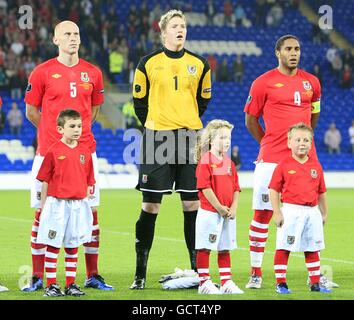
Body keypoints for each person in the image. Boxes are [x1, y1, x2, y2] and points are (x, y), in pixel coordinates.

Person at [23, 20, 113, 292]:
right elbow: (31, 112)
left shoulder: (93, 73)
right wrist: (57, 139)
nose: (73, 38)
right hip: (48, 154)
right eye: (67, 34)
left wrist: (76, 142)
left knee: (90, 213)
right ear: (55, 40)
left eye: (76, 34)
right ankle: (38, 276)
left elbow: (94, 112)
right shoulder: (42, 72)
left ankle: (92, 275)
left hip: (85, 155)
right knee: (42, 213)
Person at [130, 9, 212, 289]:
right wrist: (157, 126)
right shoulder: (148, 63)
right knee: (151, 205)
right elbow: (139, 102)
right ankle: (139, 274)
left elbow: (203, 101)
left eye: (184, 26)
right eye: (175, 26)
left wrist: (185, 122)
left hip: (190, 139)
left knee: (192, 204)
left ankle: (198, 272)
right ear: (163, 31)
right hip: (157, 139)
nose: (181, 29)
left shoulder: (200, 64)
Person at [244, 34, 323, 289]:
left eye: (297, 49)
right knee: (263, 214)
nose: (294, 53)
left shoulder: (312, 83)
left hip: (304, 161)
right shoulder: (262, 83)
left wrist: (303, 144)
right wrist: (269, 143)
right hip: (270, 161)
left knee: (309, 213)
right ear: (278, 52)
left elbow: (314, 117)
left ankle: (315, 276)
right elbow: (250, 120)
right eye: (288, 49)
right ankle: (256, 272)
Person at [37, 109, 94, 297]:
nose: (77, 129)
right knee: (53, 244)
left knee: (72, 244)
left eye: (79, 126)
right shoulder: (53, 151)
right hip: (57, 204)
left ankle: (71, 284)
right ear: (60, 129)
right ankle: (51, 284)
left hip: (77, 205)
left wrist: (86, 203)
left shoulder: (85, 152)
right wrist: (44, 206)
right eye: (72, 126)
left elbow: (88, 181)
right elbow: (44, 180)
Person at [269, 122, 331, 294]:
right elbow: (273, 189)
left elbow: (321, 192)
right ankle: (281, 283)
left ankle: (315, 283)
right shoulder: (283, 165)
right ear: (289, 143)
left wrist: (324, 213)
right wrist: (277, 212)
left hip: (312, 212)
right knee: (284, 246)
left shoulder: (316, 166)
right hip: (291, 211)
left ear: (311, 144)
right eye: (297, 140)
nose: (302, 143)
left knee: (312, 247)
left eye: (306, 140)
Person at [194, 120, 244, 295]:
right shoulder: (206, 160)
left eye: (228, 137)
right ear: (211, 140)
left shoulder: (229, 163)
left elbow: (237, 188)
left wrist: (234, 208)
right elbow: (205, 187)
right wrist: (219, 207)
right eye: (222, 137)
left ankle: (226, 282)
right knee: (205, 246)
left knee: (224, 247)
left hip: (228, 214)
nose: (227, 141)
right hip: (210, 213)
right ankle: (204, 282)